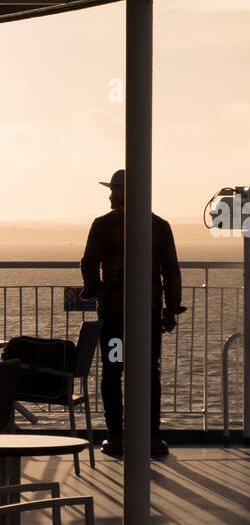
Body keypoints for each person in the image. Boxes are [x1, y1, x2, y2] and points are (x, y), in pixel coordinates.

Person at [80, 169, 181, 460]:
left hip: (113, 317)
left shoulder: (102, 225)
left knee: (113, 371)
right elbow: (171, 270)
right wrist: (171, 309)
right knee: (149, 373)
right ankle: (150, 438)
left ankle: (115, 437)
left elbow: (88, 263)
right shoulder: (159, 226)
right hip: (147, 315)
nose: (110, 195)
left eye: (114, 189)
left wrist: (98, 291)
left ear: (126, 192)